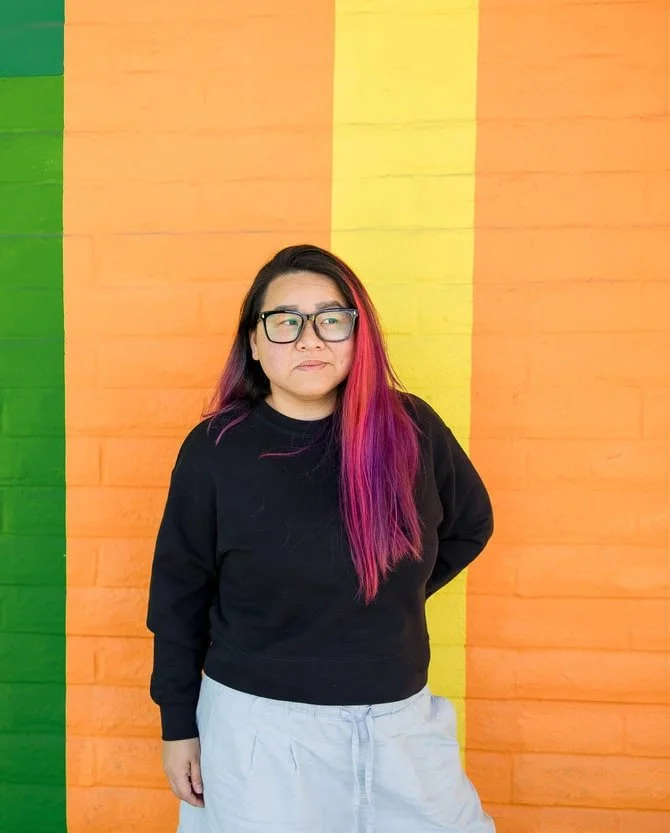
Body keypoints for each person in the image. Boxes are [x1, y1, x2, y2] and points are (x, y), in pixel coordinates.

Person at [147, 244, 496, 832]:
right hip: (259, 730)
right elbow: (178, 595)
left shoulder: (412, 429)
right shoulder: (216, 449)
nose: (309, 339)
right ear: (254, 344)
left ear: (360, 335)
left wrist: (380, 593)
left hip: (400, 724)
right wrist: (178, 725)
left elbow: (469, 525)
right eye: (284, 322)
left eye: (331, 319)